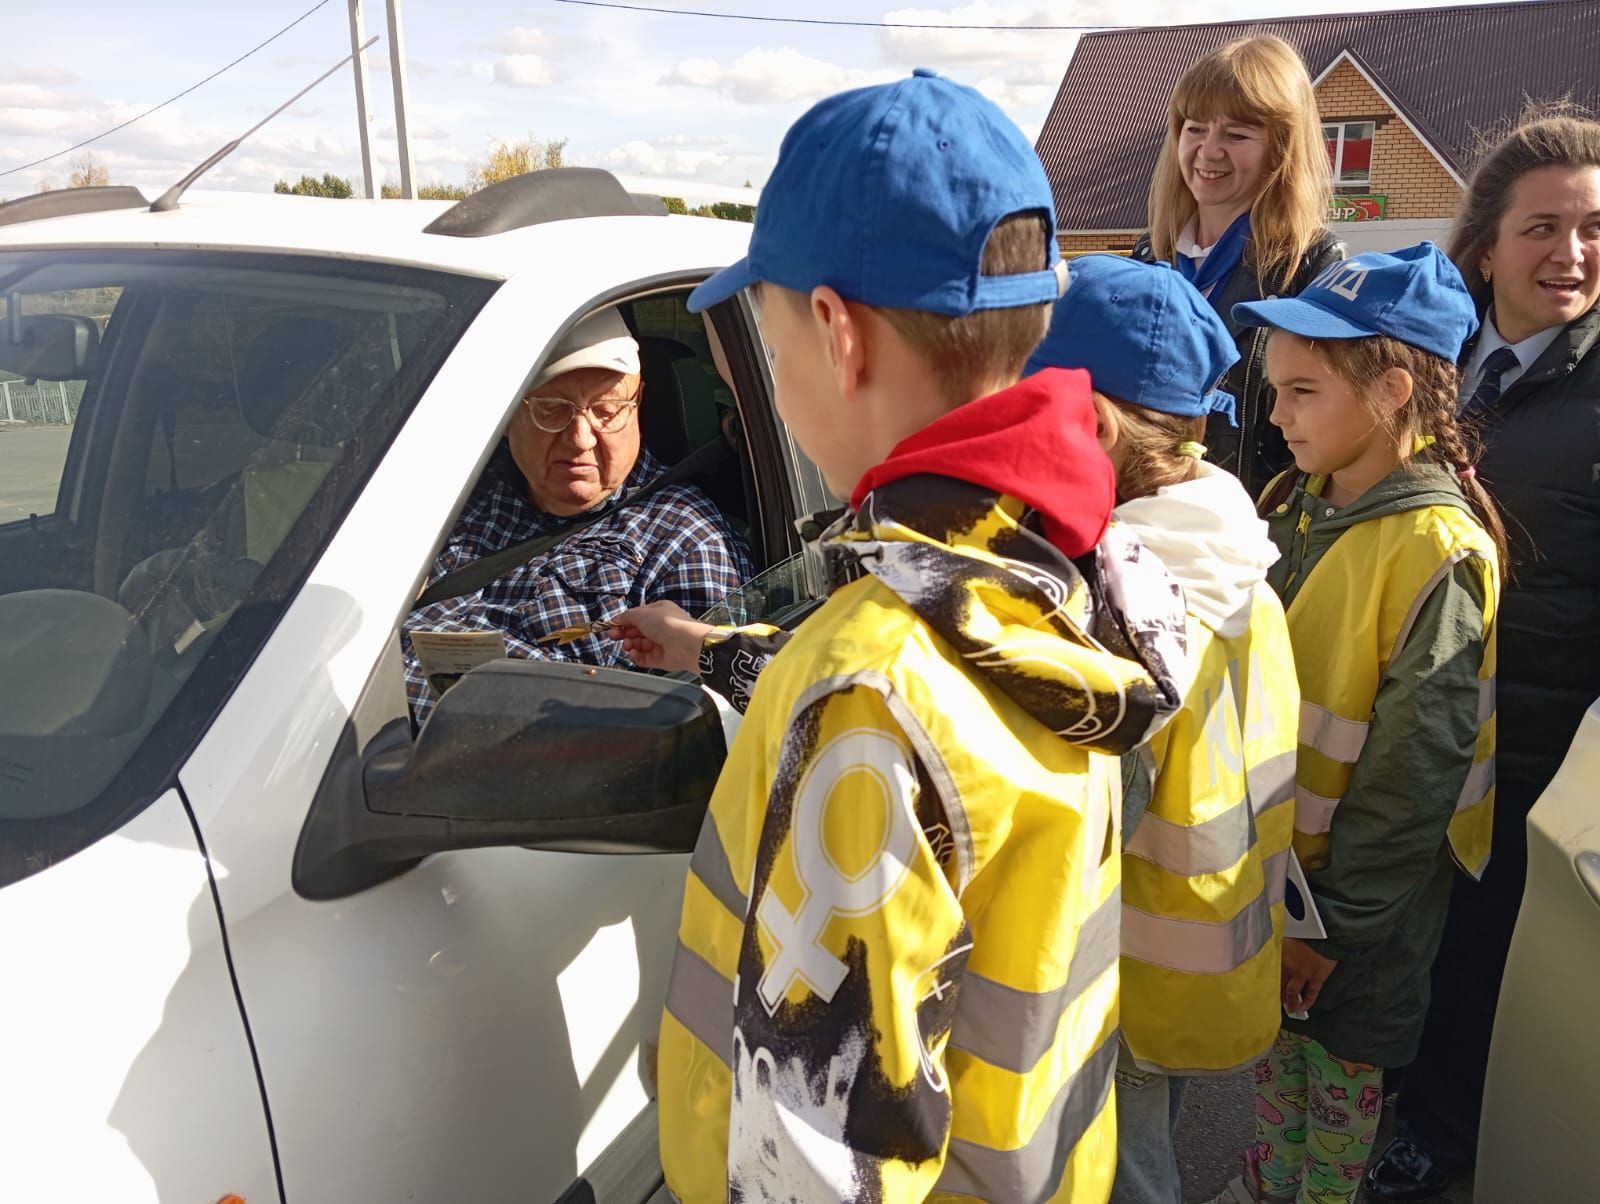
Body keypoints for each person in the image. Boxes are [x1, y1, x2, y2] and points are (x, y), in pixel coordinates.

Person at [636, 70, 1190, 1202]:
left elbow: (822, 1159)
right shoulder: (1056, 568)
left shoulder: (872, 690)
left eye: (773, 341)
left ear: (837, 334)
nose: (770, 384)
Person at [1224, 243, 1504, 1204]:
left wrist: (1330, 931)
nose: (1273, 415)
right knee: (1277, 1083)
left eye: (1302, 391)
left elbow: (1410, 781)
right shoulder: (1300, 504)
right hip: (1288, 889)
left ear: (1390, 391)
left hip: (1357, 921)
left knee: (1335, 1108)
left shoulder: (1436, 550)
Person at [1024, 255, 1300, 1204]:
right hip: (1203, 954)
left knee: (1123, 1178)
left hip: (1126, 974)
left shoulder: (1128, 596)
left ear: (1091, 422)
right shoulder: (1233, 551)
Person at [1365, 112, 1600, 1203]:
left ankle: (1436, 1146)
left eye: (1593, 227)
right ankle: (1389, 1116)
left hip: (1539, 750)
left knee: (1483, 969)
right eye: (1541, 227)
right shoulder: (1436, 360)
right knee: (1409, 944)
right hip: (1417, 724)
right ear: (1487, 245)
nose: (1571, 253)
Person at [400, 307, 751, 724]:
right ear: (510, 414)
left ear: (637, 404)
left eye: (606, 410)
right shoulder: (454, 493)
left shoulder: (685, 539)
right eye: (552, 410)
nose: (580, 439)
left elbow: (687, 731)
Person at [1133, 34, 1344, 496]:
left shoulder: (1312, 270)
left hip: (1249, 536)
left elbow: (1321, 440)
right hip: (1143, 522)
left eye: (1236, 134)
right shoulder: (1149, 259)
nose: (1209, 151)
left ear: (1281, 149)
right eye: (1195, 128)